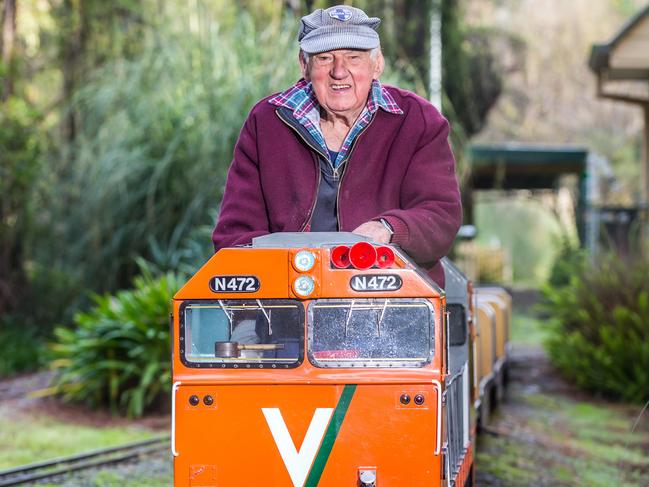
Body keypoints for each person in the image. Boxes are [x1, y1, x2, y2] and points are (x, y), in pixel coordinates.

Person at [212, 5, 461, 286]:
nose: (339, 72)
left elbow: (440, 217)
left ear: (377, 64)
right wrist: (283, 269)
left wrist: (388, 229)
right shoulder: (266, 122)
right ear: (304, 66)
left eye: (353, 57)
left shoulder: (418, 121)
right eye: (324, 58)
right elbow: (233, 236)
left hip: (391, 299)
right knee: (236, 331)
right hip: (282, 301)